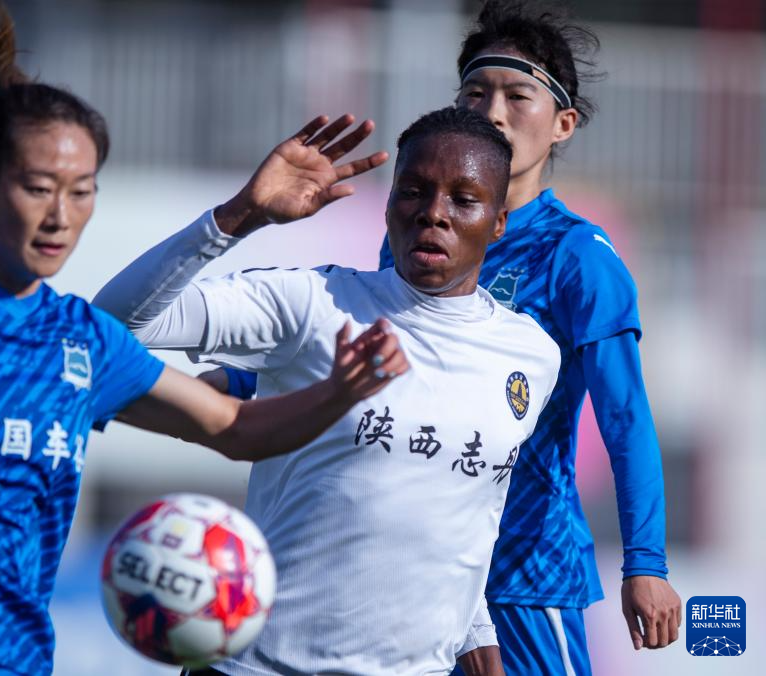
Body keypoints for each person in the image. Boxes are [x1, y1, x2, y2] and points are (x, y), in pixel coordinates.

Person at [0, 8, 409, 676]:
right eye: (38, 188)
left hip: (6, 657)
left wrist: (341, 391)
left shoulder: (82, 339)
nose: (60, 216)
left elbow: (233, 427)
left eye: (81, 191)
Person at [217, 2, 683, 674]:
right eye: (475, 93)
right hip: (411, 570)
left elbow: (626, 416)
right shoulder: (414, 234)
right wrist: (235, 380)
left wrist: (646, 563)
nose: (493, 111)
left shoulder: (578, 257)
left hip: (521, 574)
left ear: (563, 124)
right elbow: (365, 351)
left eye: (517, 96)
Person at [93, 106, 562, 675]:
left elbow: (466, 520)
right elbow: (111, 327)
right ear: (388, 205)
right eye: (414, 191)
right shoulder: (314, 304)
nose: (433, 213)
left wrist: (477, 637)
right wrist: (240, 215)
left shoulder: (532, 355)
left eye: (464, 200)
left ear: (499, 221)